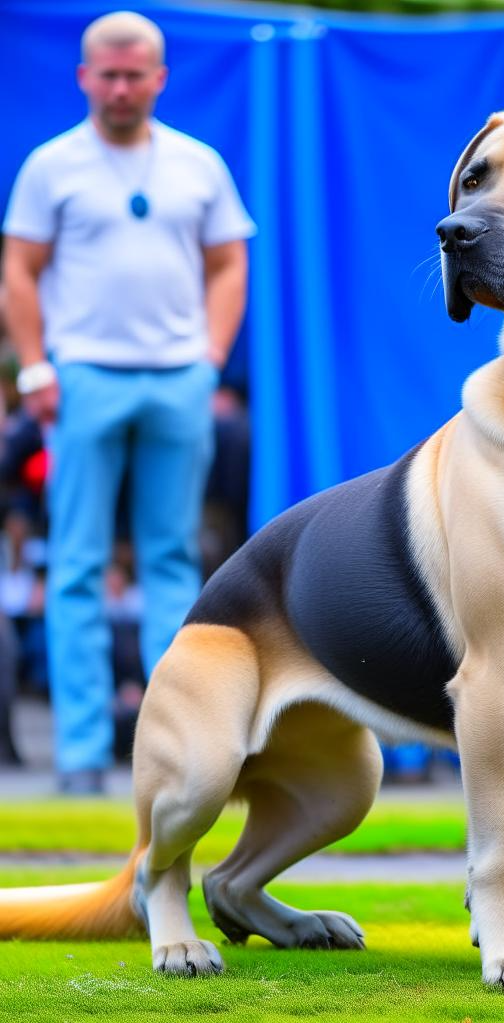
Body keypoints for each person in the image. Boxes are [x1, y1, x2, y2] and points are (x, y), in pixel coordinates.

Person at [1, 10, 255, 793]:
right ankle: (80, 753)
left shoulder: (197, 164)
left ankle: (170, 752)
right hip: (83, 378)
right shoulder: (52, 166)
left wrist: (209, 358)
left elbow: (226, 264)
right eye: (105, 74)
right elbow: (20, 268)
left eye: (132, 74)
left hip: (177, 377)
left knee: (172, 560)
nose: (118, 87)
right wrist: (38, 369)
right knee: (75, 562)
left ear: (159, 79)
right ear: (84, 78)